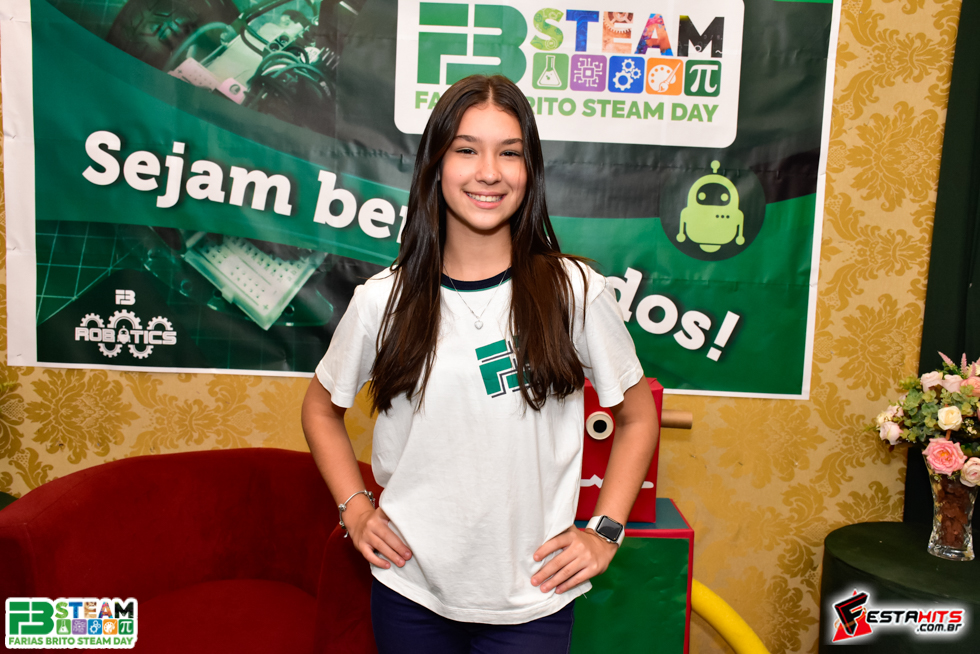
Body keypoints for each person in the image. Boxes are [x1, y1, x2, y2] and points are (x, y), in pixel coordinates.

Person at [301, 74, 659, 654]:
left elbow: (638, 418)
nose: (489, 172)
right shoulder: (382, 299)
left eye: (509, 153)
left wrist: (605, 533)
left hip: (534, 596)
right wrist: (356, 509)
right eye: (467, 149)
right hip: (409, 590)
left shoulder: (574, 291)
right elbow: (320, 410)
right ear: (436, 165)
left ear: (530, 170)